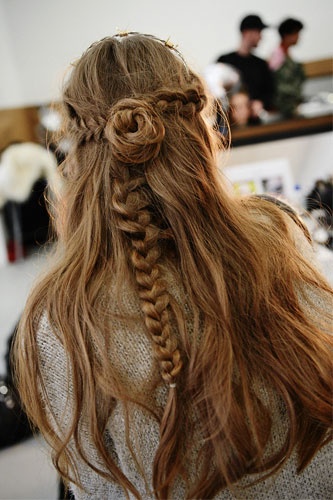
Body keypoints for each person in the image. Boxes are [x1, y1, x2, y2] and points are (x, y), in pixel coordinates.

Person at [13, 32, 332, 500]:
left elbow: (97, 489)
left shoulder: (60, 316)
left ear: (77, 154)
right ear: (202, 129)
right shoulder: (279, 232)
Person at [216, 14, 275, 120]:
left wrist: (260, 103)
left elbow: (270, 92)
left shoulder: (261, 64)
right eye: (259, 32)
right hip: (230, 125)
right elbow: (215, 92)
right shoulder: (224, 61)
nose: (261, 37)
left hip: (256, 123)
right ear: (247, 33)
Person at [269, 18, 306, 117]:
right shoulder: (278, 55)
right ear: (287, 35)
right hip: (284, 106)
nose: (298, 37)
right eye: (296, 33)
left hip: (291, 103)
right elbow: (274, 82)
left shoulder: (286, 54)